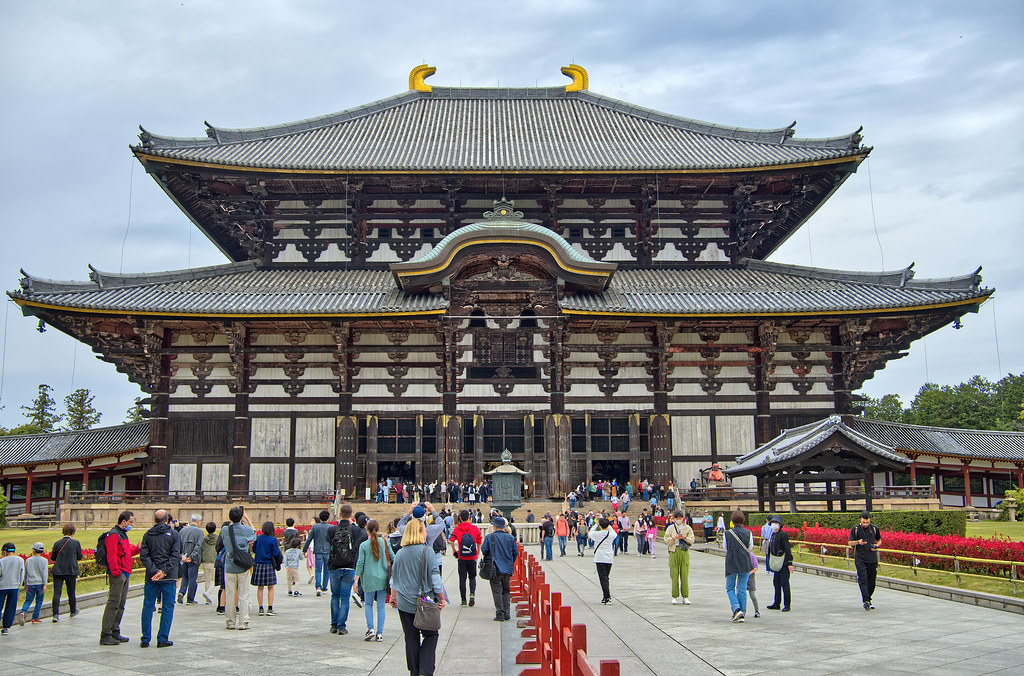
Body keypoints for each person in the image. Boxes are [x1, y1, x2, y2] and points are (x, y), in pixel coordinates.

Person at [389, 518, 445, 676]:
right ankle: (425, 670)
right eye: (424, 530)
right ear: (419, 532)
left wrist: (393, 597)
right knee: (431, 634)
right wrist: (441, 597)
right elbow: (435, 577)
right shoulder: (427, 551)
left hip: (404, 603)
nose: (426, 533)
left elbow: (394, 579)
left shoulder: (400, 553)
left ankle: (414, 671)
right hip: (425, 602)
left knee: (411, 637)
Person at [139, 509, 181, 647]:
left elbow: (144, 555)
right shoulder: (174, 534)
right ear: (167, 520)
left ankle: (145, 638)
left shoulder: (147, 535)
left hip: (151, 576)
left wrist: (154, 570)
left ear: (154, 520)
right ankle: (162, 638)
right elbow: (175, 555)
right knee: (167, 606)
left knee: (148, 605)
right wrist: (163, 571)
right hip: (168, 576)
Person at [327, 504, 366, 635]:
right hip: (349, 566)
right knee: (345, 597)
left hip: (334, 566)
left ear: (339, 514)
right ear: (351, 515)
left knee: (335, 596)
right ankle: (341, 626)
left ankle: (333, 624)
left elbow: (329, 543)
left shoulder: (332, 529)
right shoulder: (355, 530)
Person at [355, 519, 393, 641]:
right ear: (378, 529)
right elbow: (393, 557)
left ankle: (370, 628)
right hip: (383, 578)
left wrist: (356, 580)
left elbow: (360, 563)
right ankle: (380, 633)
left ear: (367, 530)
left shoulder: (363, 545)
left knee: (368, 604)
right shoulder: (385, 543)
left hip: (368, 578)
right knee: (381, 606)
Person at [100, 510, 134, 646]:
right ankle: (105, 634)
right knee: (114, 603)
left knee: (120, 604)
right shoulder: (114, 534)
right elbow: (111, 555)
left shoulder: (122, 534)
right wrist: (116, 572)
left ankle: (114, 631)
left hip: (124, 572)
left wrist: (137, 549)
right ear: (123, 521)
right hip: (119, 574)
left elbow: (125, 553)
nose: (132, 524)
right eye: (130, 522)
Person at [221, 506, 256, 631]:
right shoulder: (246, 530)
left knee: (230, 595)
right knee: (244, 595)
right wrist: (246, 518)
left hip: (230, 566)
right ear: (241, 517)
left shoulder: (225, 530)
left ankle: (230, 622)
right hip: (243, 567)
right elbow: (254, 533)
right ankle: (243, 621)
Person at [481, 516, 518, 621]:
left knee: (497, 591)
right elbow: (515, 552)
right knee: (506, 590)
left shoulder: (490, 537)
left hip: (495, 568)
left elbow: (484, 550)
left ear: (495, 526)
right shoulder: (510, 538)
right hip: (507, 568)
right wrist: (510, 562)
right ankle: (507, 612)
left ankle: (500, 613)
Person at [723, 509, 754, 622]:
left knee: (730, 587)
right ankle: (743, 613)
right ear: (743, 520)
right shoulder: (748, 533)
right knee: (742, 588)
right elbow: (750, 547)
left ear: (732, 520)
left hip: (731, 562)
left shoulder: (727, 533)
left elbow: (725, 547)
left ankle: (736, 608)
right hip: (744, 562)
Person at [849, 510, 882, 610]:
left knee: (872, 581)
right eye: (864, 522)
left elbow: (879, 540)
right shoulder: (855, 529)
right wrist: (858, 542)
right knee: (863, 579)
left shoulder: (874, 528)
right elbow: (850, 542)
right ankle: (866, 600)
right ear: (860, 520)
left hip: (872, 559)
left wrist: (876, 546)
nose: (866, 524)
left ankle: (869, 598)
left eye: (867, 522)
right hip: (860, 558)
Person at [50, 524, 83, 622]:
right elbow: (79, 556)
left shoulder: (57, 543)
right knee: (71, 592)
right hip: (70, 570)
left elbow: (53, 557)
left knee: (57, 593)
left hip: (58, 570)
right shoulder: (75, 543)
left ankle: (55, 614)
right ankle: (73, 610)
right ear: (72, 533)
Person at [449, 509, 482, 607]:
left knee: (462, 579)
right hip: (472, 556)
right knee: (472, 577)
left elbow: (451, 540)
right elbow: (479, 541)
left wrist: (454, 551)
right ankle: (472, 595)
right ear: (469, 518)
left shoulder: (457, 529)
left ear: (460, 518)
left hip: (462, 557)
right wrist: (477, 552)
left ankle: (463, 600)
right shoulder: (474, 528)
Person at [664, 510, 694, 605]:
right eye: (677, 518)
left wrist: (684, 537)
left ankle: (685, 596)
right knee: (674, 574)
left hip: (684, 551)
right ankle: (674, 596)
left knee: (684, 574)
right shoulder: (670, 528)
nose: (678, 520)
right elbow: (666, 540)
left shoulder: (687, 528)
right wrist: (674, 538)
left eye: (680, 518)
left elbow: (692, 540)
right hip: (674, 551)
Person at [253, 521, 282, 617]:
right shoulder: (273, 540)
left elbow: (254, 549)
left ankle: (260, 608)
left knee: (260, 588)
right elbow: (276, 552)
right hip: (268, 564)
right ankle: (270, 608)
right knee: (270, 587)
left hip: (258, 564)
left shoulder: (258, 538)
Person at [765, 515, 794, 612]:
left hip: (783, 563)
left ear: (780, 525)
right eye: (773, 523)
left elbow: (787, 549)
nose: (774, 525)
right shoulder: (773, 534)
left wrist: (790, 563)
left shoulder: (783, 535)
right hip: (776, 563)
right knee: (776, 583)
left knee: (785, 584)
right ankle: (776, 603)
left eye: (776, 523)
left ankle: (787, 604)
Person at [303, 510, 333, 596]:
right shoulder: (331, 527)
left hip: (318, 551)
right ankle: (324, 588)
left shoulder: (315, 527)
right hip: (328, 551)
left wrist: (304, 549)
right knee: (327, 570)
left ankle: (318, 587)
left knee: (318, 570)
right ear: (328, 518)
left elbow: (309, 539)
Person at [177, 513, 204, 605]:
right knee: (192, 578)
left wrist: (182, 556)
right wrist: (191, 557)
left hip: (183, 558)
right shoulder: (199, 532)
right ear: (198, 521)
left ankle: (181, 592)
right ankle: (190, 599)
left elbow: (178, 545)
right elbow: (198, 546)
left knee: (185, 577)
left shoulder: (182, 531)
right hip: (193, 559)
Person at [18, 543, 48, 624]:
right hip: (40, 583)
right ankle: (35, 617)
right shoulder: (44, 561)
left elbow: (25, 573)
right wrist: (45, 584)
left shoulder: (28, 560)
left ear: (34, 550)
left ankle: (23, 611)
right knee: (39, 600)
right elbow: (44, 573)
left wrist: (25, 583)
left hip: (30, 583)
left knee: (28, 599)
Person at [589, 517, 616, 604]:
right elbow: (614, 533)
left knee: (603, 578)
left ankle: (607, 597)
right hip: (609, 559)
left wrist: (595, 525)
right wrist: (608, 525)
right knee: (606, 578)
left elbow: (590, 533)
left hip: (600, 558)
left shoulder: (598, 534)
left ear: (600, 525)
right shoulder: (611, 534)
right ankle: (605, 596)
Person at [0, 543, 26, 635]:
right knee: (10, 607)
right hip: (14, 587)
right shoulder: (20, 560)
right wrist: (19, 585)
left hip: (2, 587)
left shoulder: (2, 561)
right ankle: (5, 627)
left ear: (4, 551)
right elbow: (22, 574)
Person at [200, 522, 218, 604]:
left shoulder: (204, 539)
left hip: (205, 560)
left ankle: (207, 598)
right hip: (214, 560)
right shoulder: (218, 539)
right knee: (214, 580)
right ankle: (208, 593)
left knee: (207, 579)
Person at [284, 531, 303, 597]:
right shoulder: (298, 551)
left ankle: (289, 590)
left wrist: (286, 566)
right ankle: (296, 591)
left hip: (288, 567)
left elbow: (285, 559)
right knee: (297, 580)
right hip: (295, 567)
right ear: (298, 545)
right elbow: (301, 558)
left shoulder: (287, 551)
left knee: (288, 580)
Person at [746, 550, 761, 618]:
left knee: (752, 595)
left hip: (750, 577)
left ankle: (757, 611)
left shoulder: (751, 555)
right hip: (741, 576)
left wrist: (749, 573)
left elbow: (756, 567)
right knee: (739, 594)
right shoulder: (739, 554)